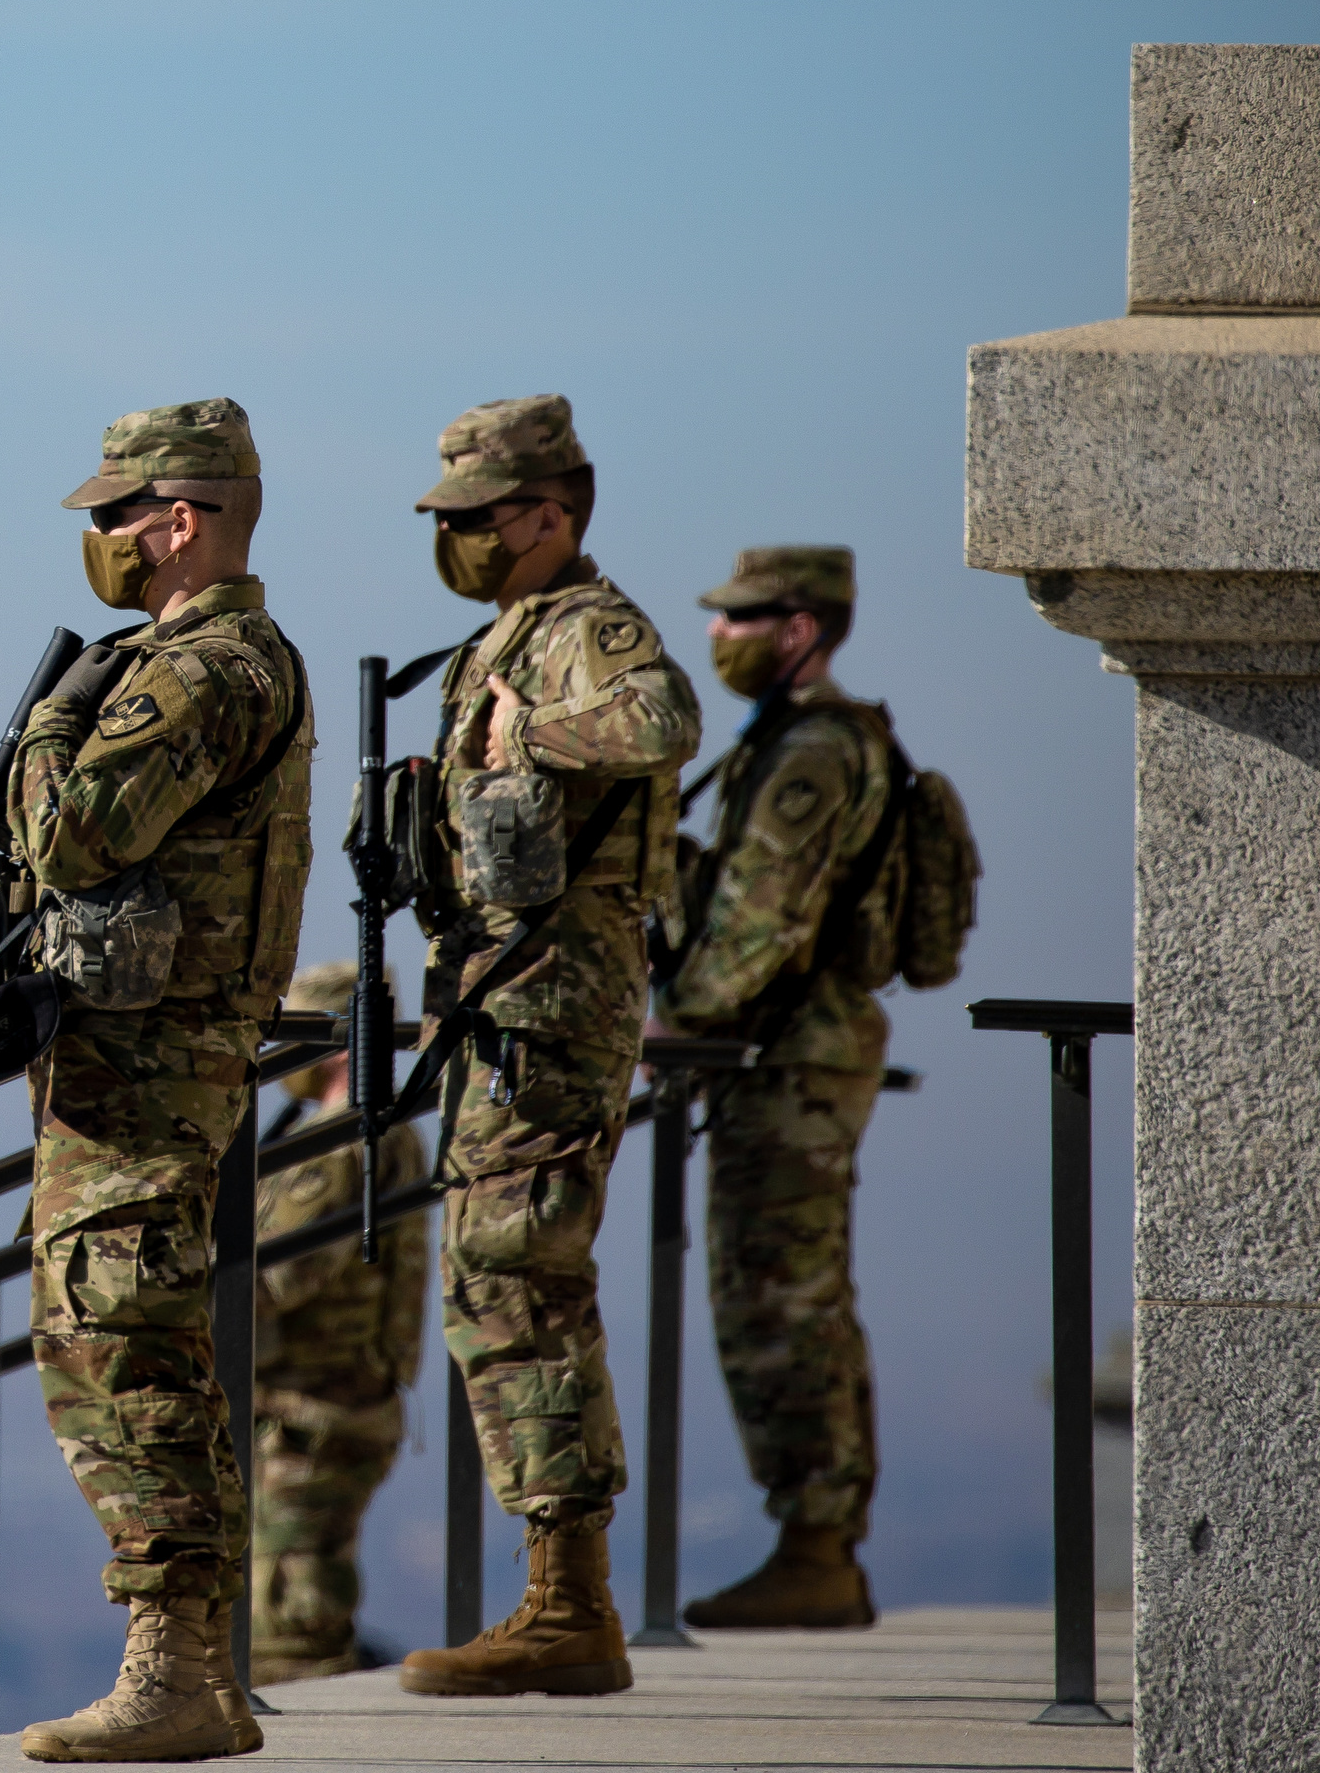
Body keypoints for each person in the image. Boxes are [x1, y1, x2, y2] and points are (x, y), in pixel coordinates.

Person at [10, 399, 314, 1763]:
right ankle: (184, 1665)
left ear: (177, 520)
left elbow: (77, 839)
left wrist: (35, 740)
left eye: (115, 515)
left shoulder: (205, 671)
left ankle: (178, 1669)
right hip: (134, 1055)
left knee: (118, 1335)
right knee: (112, 1328)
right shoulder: (189, 659)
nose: (103, 539)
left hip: (153, 1064)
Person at [386, 395, 700, 1700]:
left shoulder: (588, 625)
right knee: (492, 1267)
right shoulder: (512, 632)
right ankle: (560, 1597)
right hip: (505, 988)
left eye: (472, 517)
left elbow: (664, 716)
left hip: (556, 988)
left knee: (519, 1261)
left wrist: (538, 735)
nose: (454, 539)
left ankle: (571, 1608)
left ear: (547, 515)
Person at [652, 545, 890, 1628]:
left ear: (799, 629)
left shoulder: (813, 755)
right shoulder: (791, 742)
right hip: (789, 1049)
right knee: (785, 1291)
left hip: (793, 1054)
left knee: (780, 1298)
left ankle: (818, 1543)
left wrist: (678, 1019)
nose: (718, 636)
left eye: (741, 620)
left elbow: (764, 914)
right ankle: (817, 1538)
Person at [248, 959, 431, 1685]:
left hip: (315, 1410)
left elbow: (275, 1276)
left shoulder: (345, 1140)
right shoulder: (365, 1130)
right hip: (326, 1403)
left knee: (288, 1629)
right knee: (283, 1607)